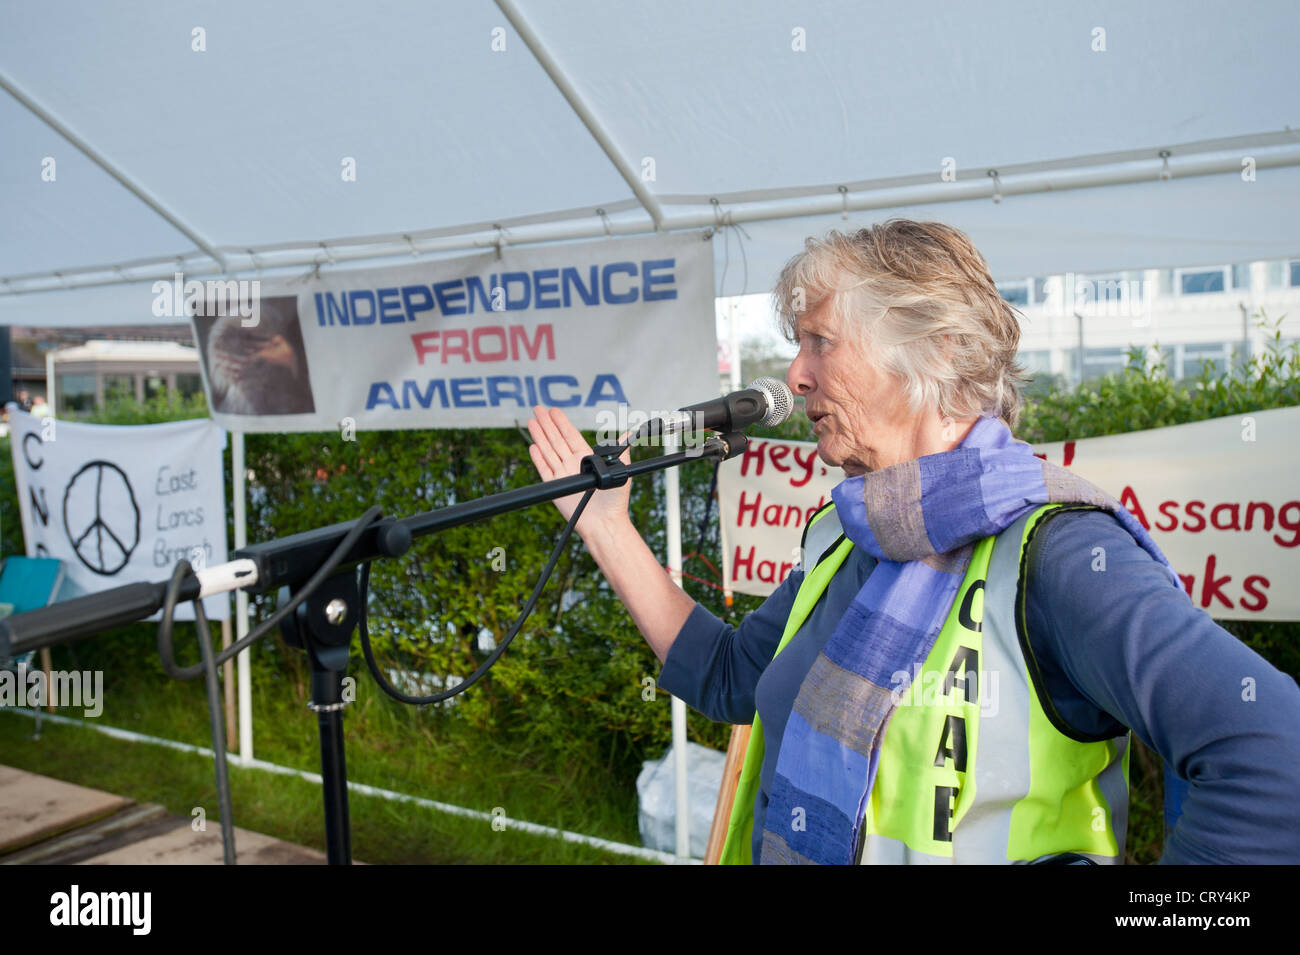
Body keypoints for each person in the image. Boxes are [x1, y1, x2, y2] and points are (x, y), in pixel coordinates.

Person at [525, 219, 1300, 865]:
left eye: (820, 341)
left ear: (935, 353)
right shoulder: (848, 537)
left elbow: (1272, 755)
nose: (794, 375)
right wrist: (606, 526)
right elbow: (731, 678)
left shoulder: (1057, 550)